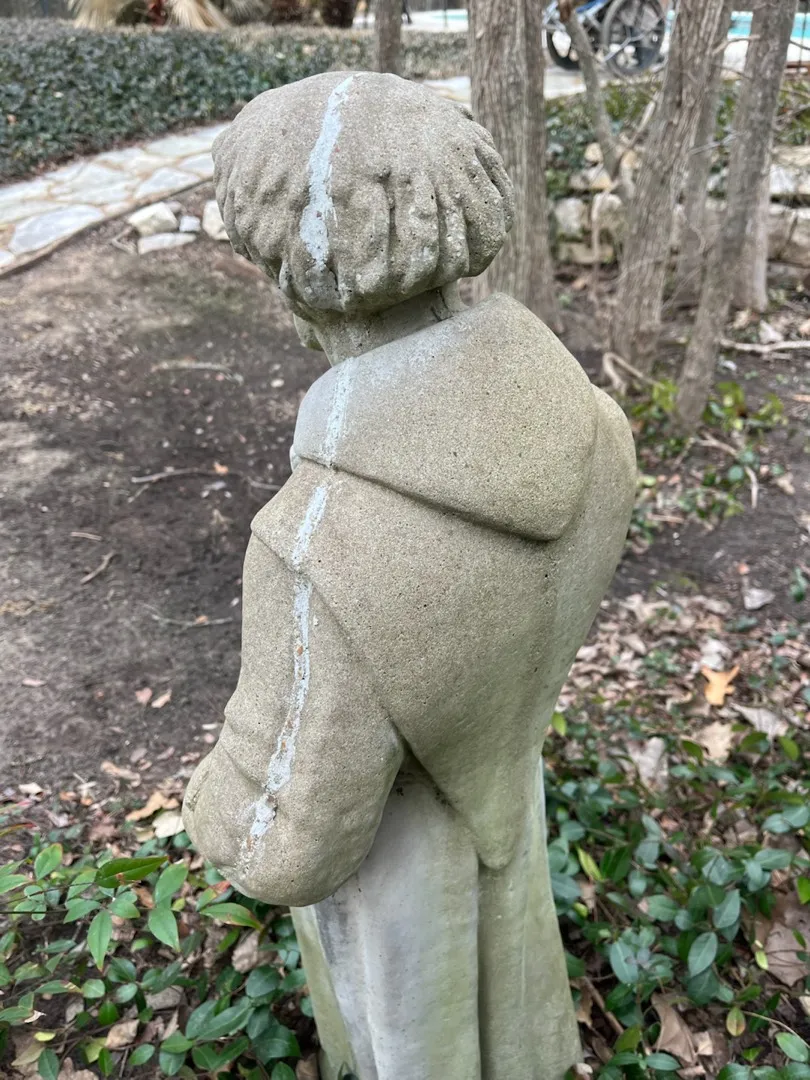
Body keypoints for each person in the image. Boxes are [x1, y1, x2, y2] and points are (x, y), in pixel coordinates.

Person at [183, 71, 636, 1080]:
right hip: (505, 786)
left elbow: (287, 844)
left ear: (292, 272)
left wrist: (207, 800)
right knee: (507, 1005)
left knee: (420, 1038)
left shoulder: (315, 546)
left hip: (398, 895)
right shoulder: (597, 428)